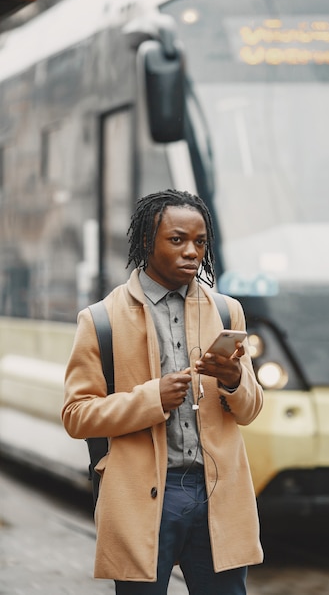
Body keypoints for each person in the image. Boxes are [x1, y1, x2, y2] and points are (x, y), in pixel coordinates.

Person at [62, 189, 264, 594]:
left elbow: (251, 410)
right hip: (141, 498)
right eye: (177, 240)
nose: (192, 251)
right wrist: (151, 399)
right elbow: (77, 415)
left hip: (218, 493)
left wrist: (232, 380)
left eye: (200, 242)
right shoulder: (100, 320)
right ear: (145, 243)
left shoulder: (228, 311)